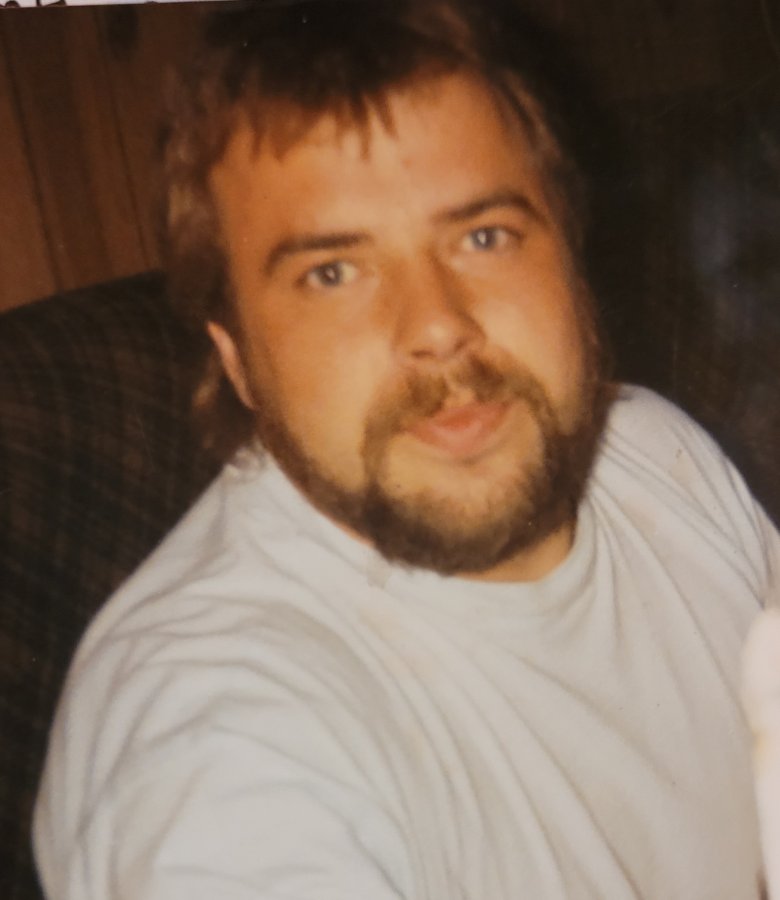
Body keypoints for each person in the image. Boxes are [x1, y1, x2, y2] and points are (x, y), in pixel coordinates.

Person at [33, 1, 780, 897]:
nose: (436, 325)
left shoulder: (655, 453)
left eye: (483, 237)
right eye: (333, 273)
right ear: (238, 361)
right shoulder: (212, 748)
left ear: (573, 260)